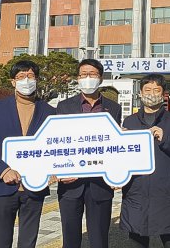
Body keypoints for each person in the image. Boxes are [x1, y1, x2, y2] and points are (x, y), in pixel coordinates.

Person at [0, 60, 56, 248]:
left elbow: (55, 148)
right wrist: (3, 171)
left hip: (35, 187)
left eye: (30, 76)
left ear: (37, 80)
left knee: (28, 241)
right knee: (2, 241)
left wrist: (55, 170)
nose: (26, 81)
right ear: (13, 82)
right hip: (4, 186)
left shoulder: (50, 112)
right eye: (21, 77)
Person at [120, 74, 170, 248]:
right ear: (140, 93)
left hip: (165, 193)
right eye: (147, 90)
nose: (151, 94)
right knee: (136, 240)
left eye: (156, 90)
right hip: (136, 192)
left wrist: (166, 139)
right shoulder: (130, 122)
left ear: (164, 94)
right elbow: (121, 158)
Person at [56, 59, 122, 248]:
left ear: (100, 78)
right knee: (70, 238)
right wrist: (59, 170)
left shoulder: (113, 108)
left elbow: (115, 145)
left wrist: (117, 174)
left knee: (99, 238)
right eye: (83, 74)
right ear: (77, 79)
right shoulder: (64, 107)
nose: (87, 78)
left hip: (100, 184)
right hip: (70, 185)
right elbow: (57, 142)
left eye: (92, 74)